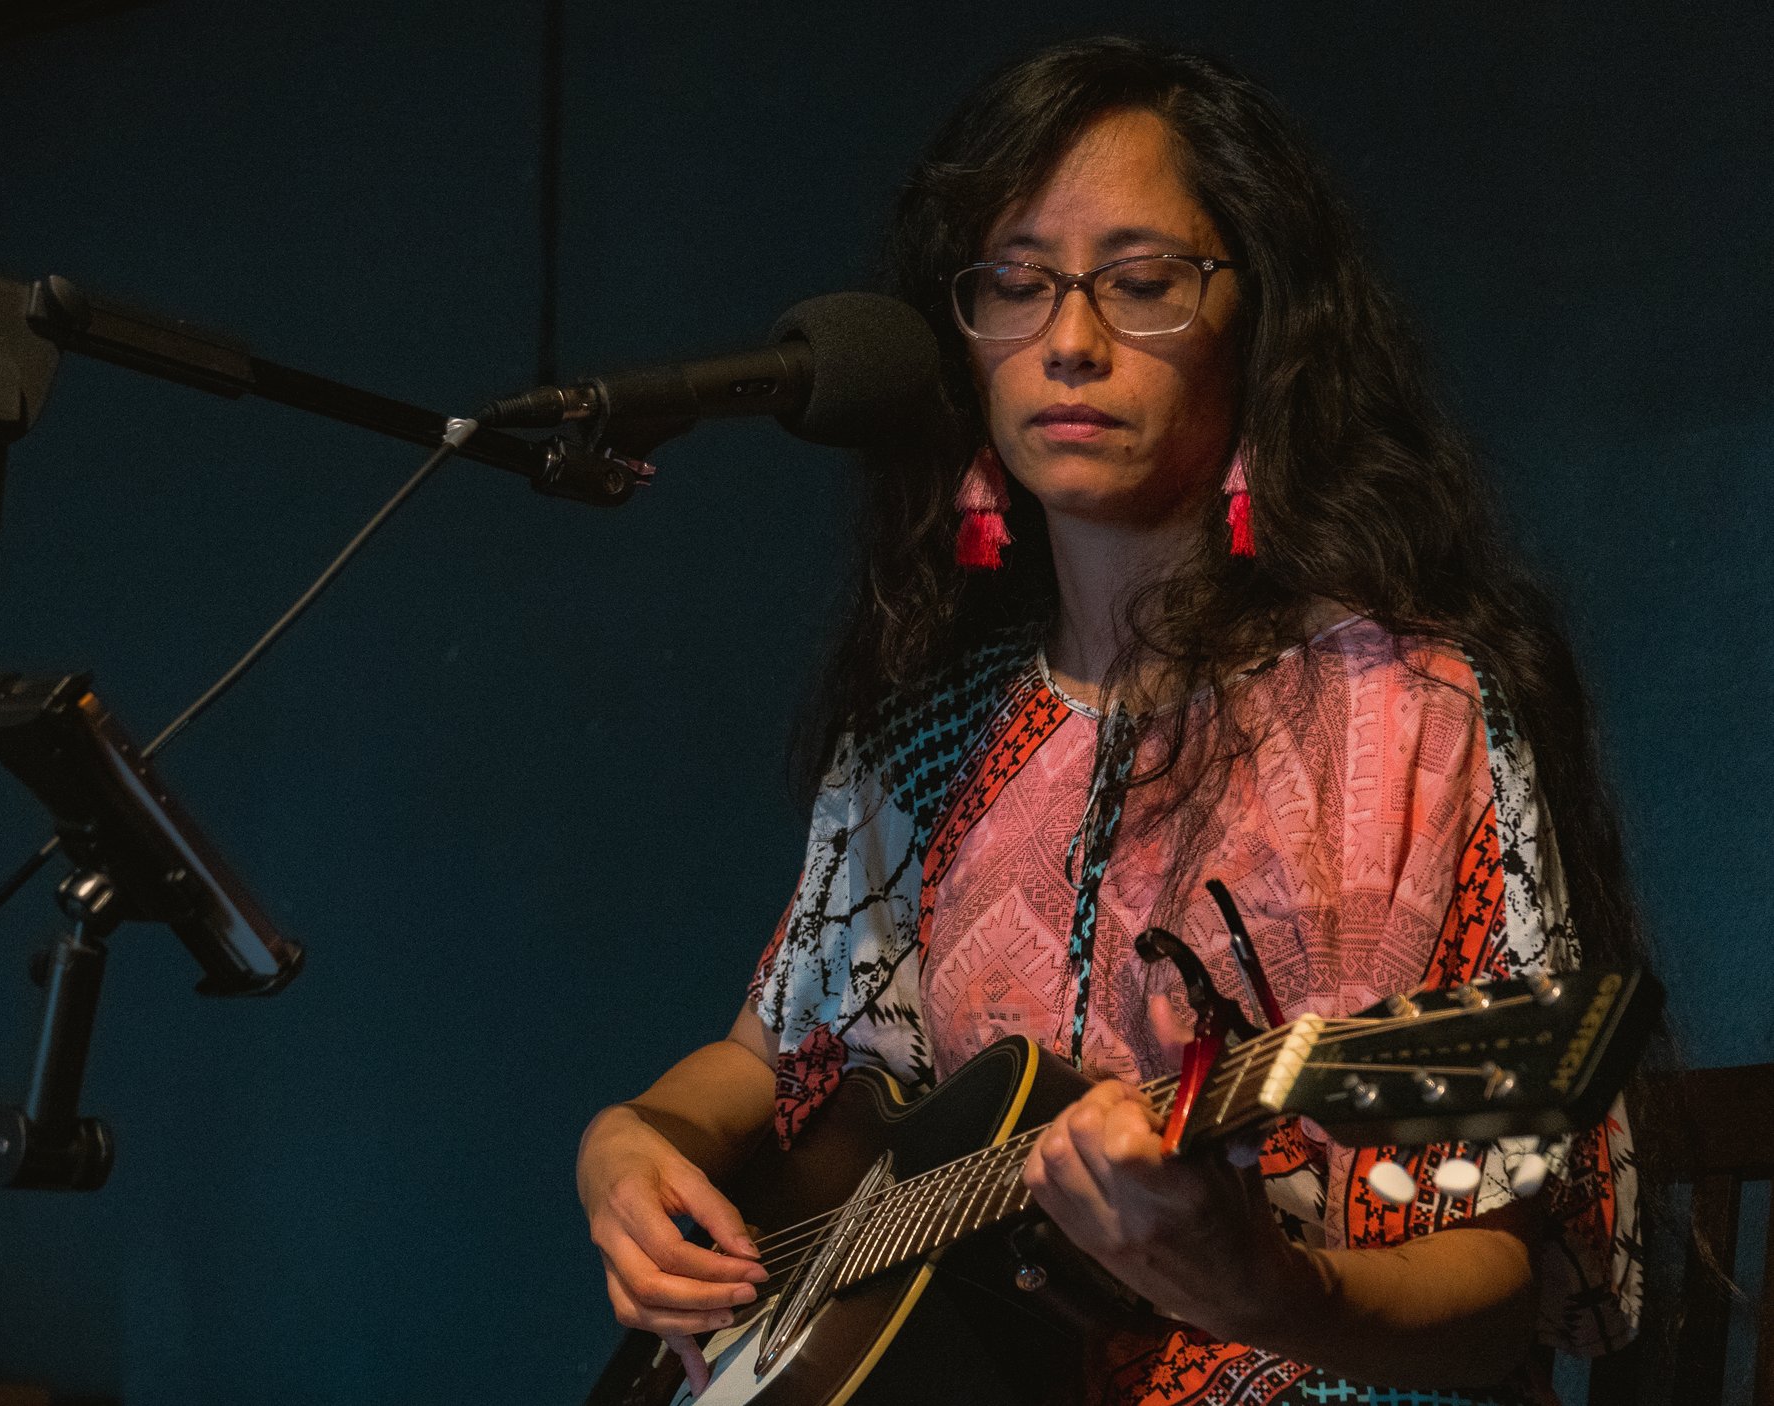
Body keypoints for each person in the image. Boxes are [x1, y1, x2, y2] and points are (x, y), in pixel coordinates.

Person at [574, 37, 1643, 1406]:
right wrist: (630, 1139)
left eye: (1142, 284)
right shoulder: (922, 740)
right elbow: (768, 1054)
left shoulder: (1412, 709)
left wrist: (1271, 1287)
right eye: (1014, 287)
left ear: (1259, 324)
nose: (1069, 342)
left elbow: (1494, 1300)